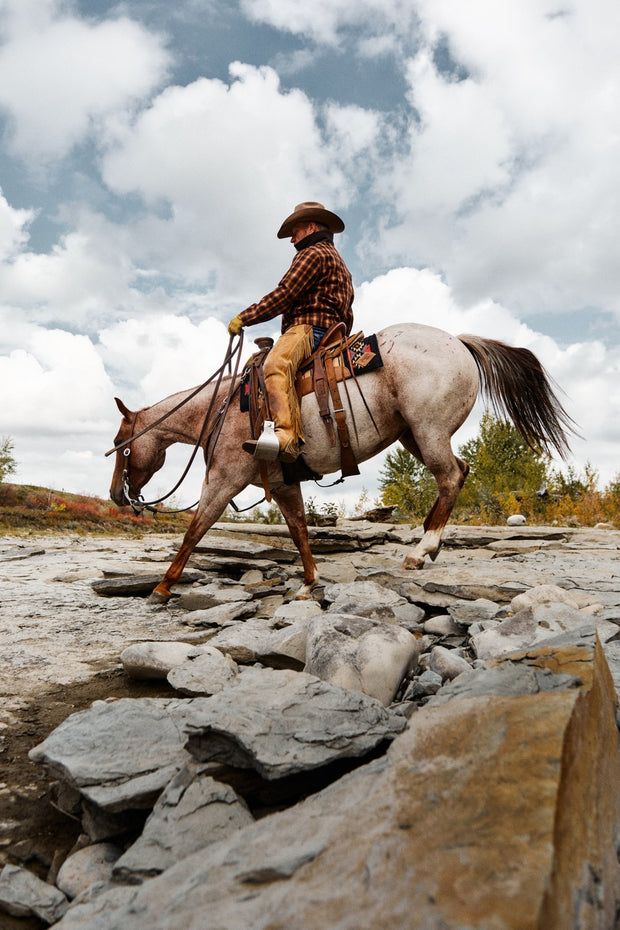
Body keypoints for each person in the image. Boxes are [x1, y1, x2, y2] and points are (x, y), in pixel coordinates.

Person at [228, 201, 354, 463]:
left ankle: (286, 437)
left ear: (310, 227)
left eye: (295, 231)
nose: (292, 240)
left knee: (275, 364)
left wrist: (245, 317)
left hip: (309, 327)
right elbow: (347, 310)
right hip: (333, 331)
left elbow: (285, 294)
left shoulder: (312, 253)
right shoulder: (340, 263)